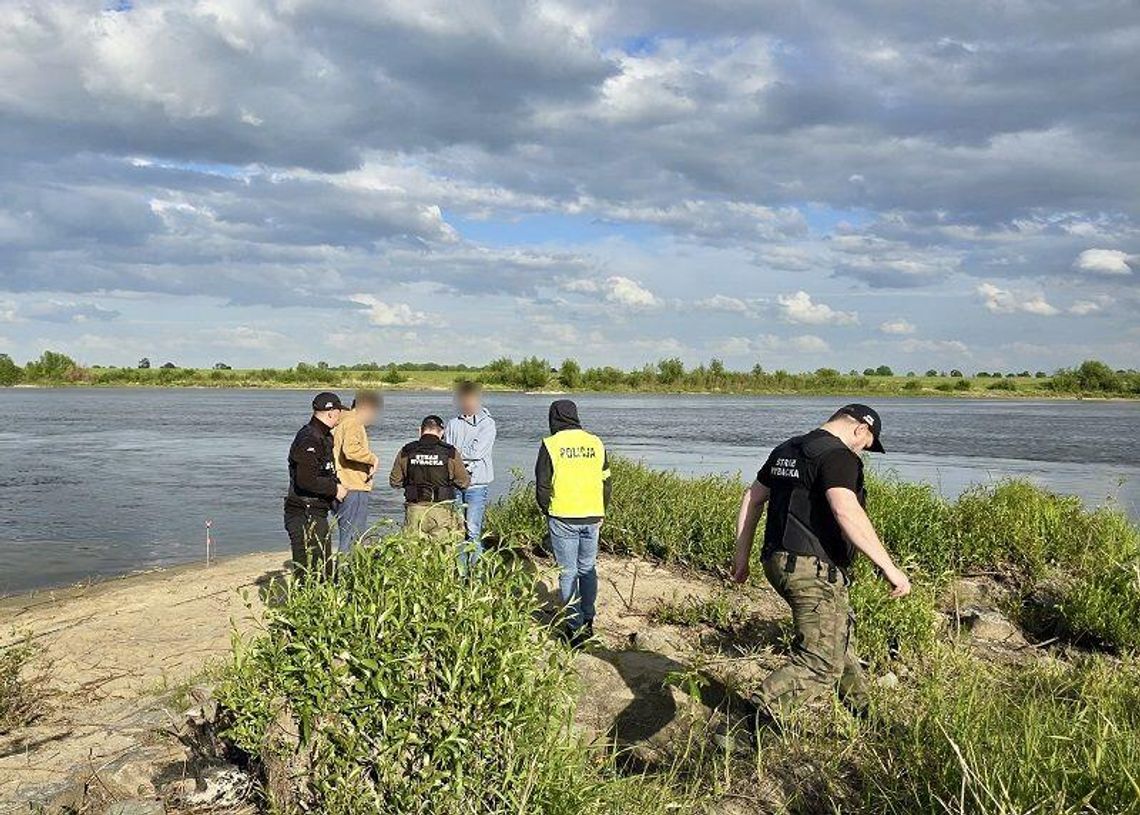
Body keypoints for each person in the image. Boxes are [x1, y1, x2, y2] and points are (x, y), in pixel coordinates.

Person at [727, 404, 911, 732]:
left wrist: (741, 556)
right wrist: (888, 566)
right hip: (810, 569)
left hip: (778, 562)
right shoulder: (839, 456)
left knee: (839, 643)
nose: (862, 451)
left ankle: (867, 720)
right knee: (821, 661)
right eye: (866, 444)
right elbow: (846, 510)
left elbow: (752, 498)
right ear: (861, 429)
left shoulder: (788, 449)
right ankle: (747, 725)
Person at [535, 400, 611, 647]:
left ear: (553, 418)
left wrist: (547, 511)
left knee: (568, 572)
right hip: (592, 515)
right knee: (587, 568)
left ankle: (574, 627)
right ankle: (588, 619)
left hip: (563, 516)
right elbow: (606, 481)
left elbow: (542, 485)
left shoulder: (550, 444)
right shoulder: (596, 442)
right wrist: (601, 510)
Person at [285, 392, 349, 577]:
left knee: (323, 570)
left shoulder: (323, 436)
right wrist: (335, 489)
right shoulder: (309, 439)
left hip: (316, 511)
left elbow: (325, 471)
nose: (340, 416)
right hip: (305, 512)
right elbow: (306, 480)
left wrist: (336, 483)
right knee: (311, 572)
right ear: (331, 413)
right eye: (339, 412)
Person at [389, 415, 470, 539]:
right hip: (441, 510)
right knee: (442, 548)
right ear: (442, 432)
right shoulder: (450, 452)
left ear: (420, 430)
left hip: (415, 510)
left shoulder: (406, 451)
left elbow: (395, 482)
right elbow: (463, 482)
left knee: (413, 548)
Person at [444, 381, 497, 567]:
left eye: (471, 399)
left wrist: (456, 454)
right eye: (464, 400)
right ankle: (461, 573)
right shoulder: (452, 424)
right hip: (455, 484)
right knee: (457, 531)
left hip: (477, 485)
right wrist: (455, 455)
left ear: (477, 399)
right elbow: (447, 451)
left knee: (473, 530)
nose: (467, 403)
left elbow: (476, 452)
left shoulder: (488, 424)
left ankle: (476, 575)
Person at [332, 390, 383, 553]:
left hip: (341, 484)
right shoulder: (354, 422)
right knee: (353, 538)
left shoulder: (340, 421)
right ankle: (347, 569)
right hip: (354, 486)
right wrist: (372, 459)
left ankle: (343, 566)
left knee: (346, 534)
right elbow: (351, 450)